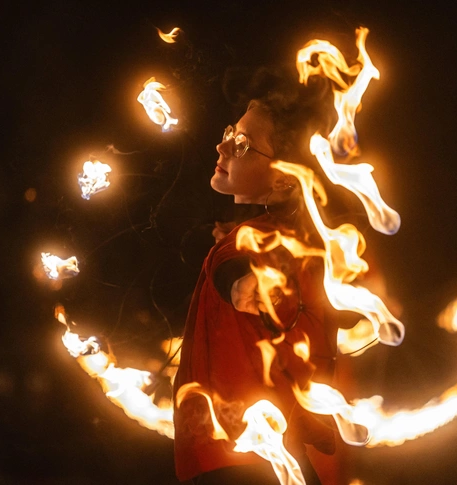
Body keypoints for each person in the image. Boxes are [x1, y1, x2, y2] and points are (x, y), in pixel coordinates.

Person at [174, 67, 357, 485]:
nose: (222, 145)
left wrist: (243, 280)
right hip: (255, 453)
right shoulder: (269, 237)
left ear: (281, 183)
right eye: (230, 132)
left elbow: (235, 270)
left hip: (244, 461)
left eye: (243, 144)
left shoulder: (263, 242)